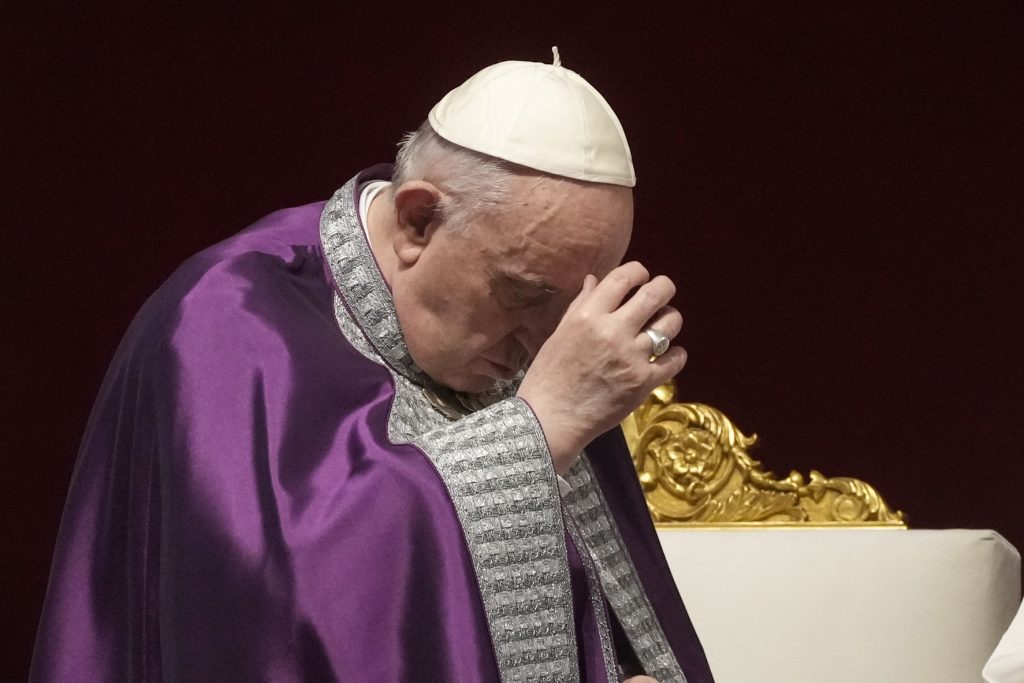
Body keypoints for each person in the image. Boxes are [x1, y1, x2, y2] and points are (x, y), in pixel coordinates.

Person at [31, 54, 714, 682]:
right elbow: (274, 629)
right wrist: (537, 429)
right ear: (418, 220)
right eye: (525, 293)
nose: (545, 343)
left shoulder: (530, 334)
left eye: (571, 306)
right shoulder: (225, 321)